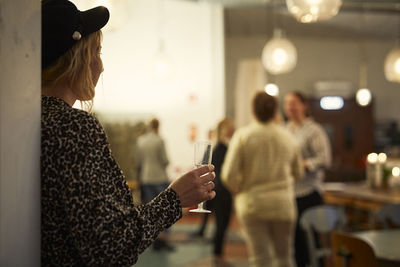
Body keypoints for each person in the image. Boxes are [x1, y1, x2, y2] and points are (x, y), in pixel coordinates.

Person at [41, 0, 215, 266]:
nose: (101, 66)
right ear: (76, 57)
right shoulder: (74, 126)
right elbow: (111, 246)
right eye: (96, 51)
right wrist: (174, 198)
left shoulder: (34, 119)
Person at [222, 92, 304, 267]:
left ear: (253, 110)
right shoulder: (287, 137)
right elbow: (299, 173)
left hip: (252, 204)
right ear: (275, 110)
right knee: (285, 256)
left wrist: (238, 188)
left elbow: (228, 175)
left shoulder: (243, 136)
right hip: (283, 205)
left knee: (260, 258)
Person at [284, 91, 332, 267]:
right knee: (295, 242)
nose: (290, 107)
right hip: (290, 193)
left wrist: (302, 164)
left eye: (294, 103)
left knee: (311, 242)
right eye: (287, 103)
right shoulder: (285, 129)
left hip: (309, 192)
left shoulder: (314, 130)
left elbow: (325, 159)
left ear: (304, 105)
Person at [136, 118, 174, 251]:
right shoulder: (159, 140)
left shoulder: (141, 140)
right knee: (165, 209)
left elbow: (138, 162)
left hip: (146, 178)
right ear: (158, 126)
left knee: (152, 210)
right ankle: (163, 241)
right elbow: (165, 160)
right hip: (159, 178)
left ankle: (154, 240)